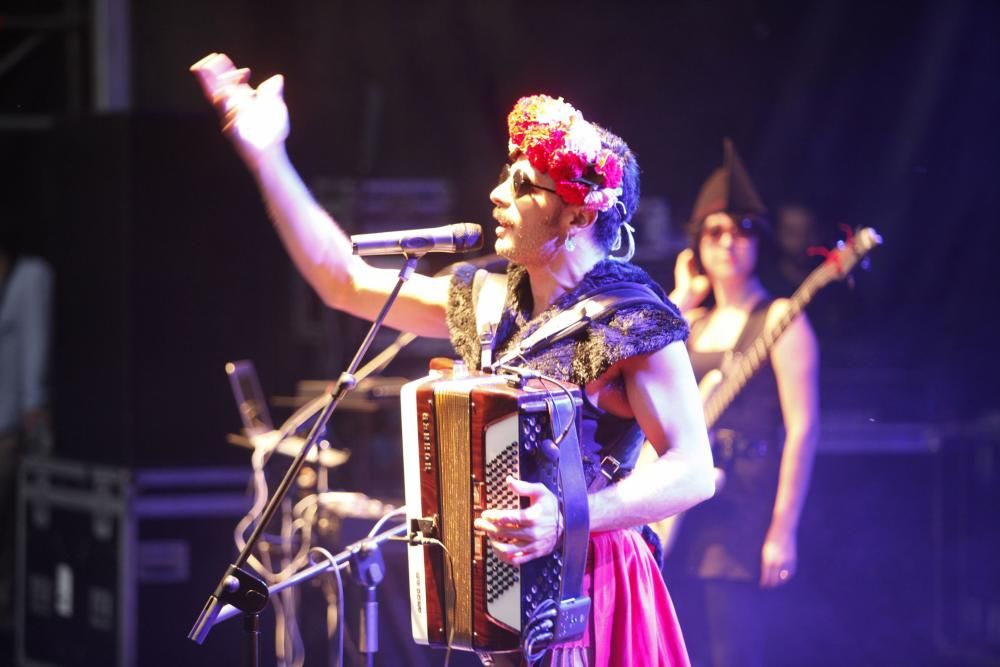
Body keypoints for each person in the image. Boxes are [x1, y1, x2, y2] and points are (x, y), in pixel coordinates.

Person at [190, 53, 715, 666]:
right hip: (497, 592)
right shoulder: (490, 297)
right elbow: (343, 282)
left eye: (522, 185)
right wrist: (268, 156)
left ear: (578, 213)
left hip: (590, 588)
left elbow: (693, 470)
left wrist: (571, 516)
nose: (497, 194)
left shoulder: (631, 318)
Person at [663, 139, 820, 667]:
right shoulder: (689, 325)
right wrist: (680, 300)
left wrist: (783, 530)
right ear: (697, 244)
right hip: (683, 512)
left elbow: (802, 430)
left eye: (741, 230)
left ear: (760, 240)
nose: (728, 242)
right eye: (715, 231)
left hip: (744, 512)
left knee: (735, 651)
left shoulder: (782, 318)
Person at [0, 222, 54, 632]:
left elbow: (35, 346)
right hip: (8, 429)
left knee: (16, 536)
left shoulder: (30, 277)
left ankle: (15, 619)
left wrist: (33, 412)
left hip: (14, 433)